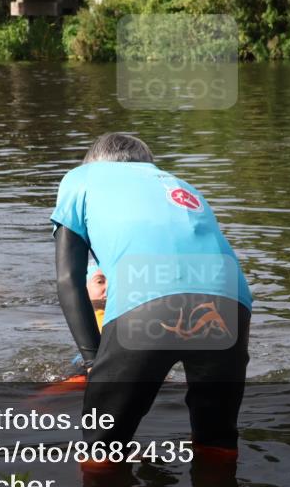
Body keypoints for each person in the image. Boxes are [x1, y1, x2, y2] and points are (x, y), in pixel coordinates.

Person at [52, 132, 253, 454]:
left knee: (101, 445)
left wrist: (93, 360)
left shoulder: (80, 178)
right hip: (229, 299)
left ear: (93, 161)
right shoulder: (175, 183)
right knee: (216, 439)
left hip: (147, 298)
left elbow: (68, 278)